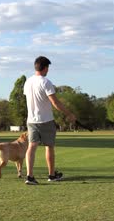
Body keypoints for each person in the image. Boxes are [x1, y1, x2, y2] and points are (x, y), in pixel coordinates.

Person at [23, 56, 77, 185]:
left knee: (31, 147)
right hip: (46, 120)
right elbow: (55, 102)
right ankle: (52, 175)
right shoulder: (46, 82)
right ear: (45, 68)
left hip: (31, 120)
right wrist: (69, 114)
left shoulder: (28, 82)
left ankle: (29, 176)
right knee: (49, 147)